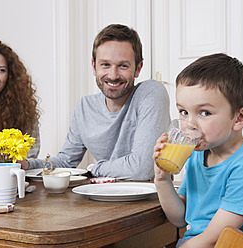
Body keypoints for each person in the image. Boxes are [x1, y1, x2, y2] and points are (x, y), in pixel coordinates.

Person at [153, 53, 243, 247]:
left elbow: (209, 239)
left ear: (239, 118)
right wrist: (162, 179)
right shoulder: (198, 156)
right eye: (183, 112)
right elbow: (180, 218)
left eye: (205, 113)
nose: (189, 124)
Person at [21, 24, 170, 180]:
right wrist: (28, 164)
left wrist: (95, 168)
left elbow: (142, 169)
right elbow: (66, 161)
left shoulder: (151, 92)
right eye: (105, 64)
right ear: (94, 66)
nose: (113, 75)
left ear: (138, 68)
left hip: (146, 199)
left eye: (123, 66)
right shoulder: (85, 107)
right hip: (101, 197)